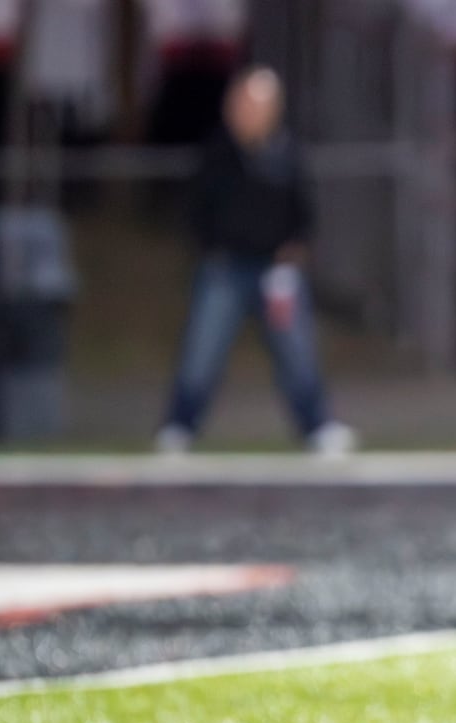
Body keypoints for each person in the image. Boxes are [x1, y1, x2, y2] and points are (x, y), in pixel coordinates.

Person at [154, 65, 354, 457]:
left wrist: (294, 248)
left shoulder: (285, 153)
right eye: (245, 104)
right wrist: (210, 245)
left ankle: (317, 426)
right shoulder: (217, 153)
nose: (251, 113)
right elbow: (197, 209)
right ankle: (179, 425)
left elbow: (304, 209)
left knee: (297, 351)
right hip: (225, 269)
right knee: (202, 351)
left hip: (276, 273)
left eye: (259, 105)